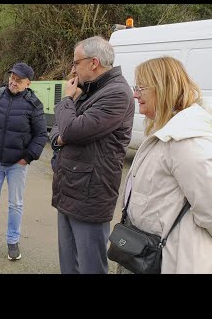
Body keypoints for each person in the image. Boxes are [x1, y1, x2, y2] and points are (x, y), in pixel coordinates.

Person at [116, 56, 212, 274]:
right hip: (149, 253)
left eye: (141, 87)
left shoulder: (188, 140)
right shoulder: (169, 130)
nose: (135, 94)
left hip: (174, 260)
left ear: (163, 87)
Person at [49, 36, 135, 274]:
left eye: (76, 63)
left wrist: (66, 100)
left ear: (94, 62)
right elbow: (60, 130)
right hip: (69, 188)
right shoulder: (87, 91)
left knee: (90, 267)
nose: (73, 69)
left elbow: (70, 129)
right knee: (69, 264)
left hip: (90, 195)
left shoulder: (116, 93)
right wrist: (61, 136)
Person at [0, 62, 48, 261]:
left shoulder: (34, 104)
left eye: (18, 80)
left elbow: (41, 135)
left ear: (28, 83)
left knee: (15, 204)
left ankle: (13, 241)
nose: (13, 82)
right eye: (12, 78)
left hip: (17, 164)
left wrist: (27, 158)